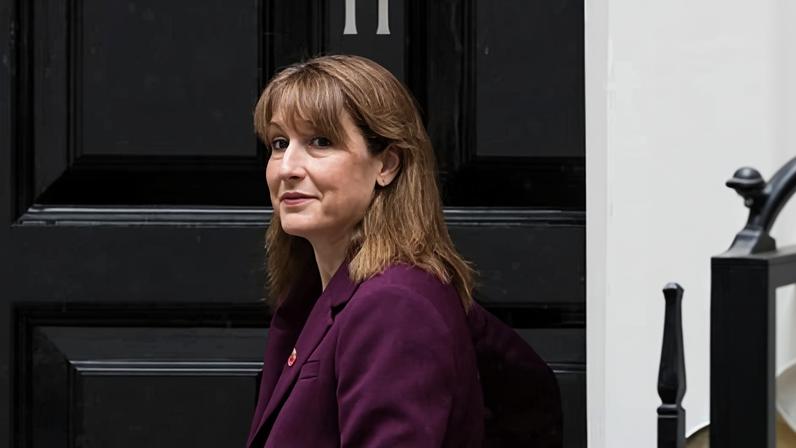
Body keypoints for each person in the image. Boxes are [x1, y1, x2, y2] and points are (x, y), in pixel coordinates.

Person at [246, 54, 562, 448]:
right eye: (279, 143)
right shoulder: (316, 297)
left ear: (388, 165)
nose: (286, 167)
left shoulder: (395, 305)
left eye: (320, 142)